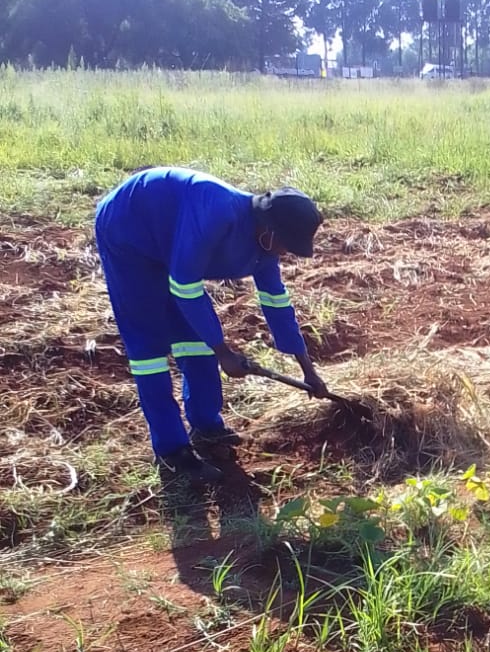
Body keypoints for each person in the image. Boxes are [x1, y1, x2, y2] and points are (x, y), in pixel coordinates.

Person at [94, 166, 328, 485]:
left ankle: (206, 424)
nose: (287, 252)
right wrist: (223, 353)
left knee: (194, 341)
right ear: (270, 230)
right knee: (148, 348)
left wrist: (308, 370)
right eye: (288, 244)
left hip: (171, 246)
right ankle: (173, 451)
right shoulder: (217, 215)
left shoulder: (265, 248)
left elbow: (276, 303)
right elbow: (186, 286)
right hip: (129, 232)